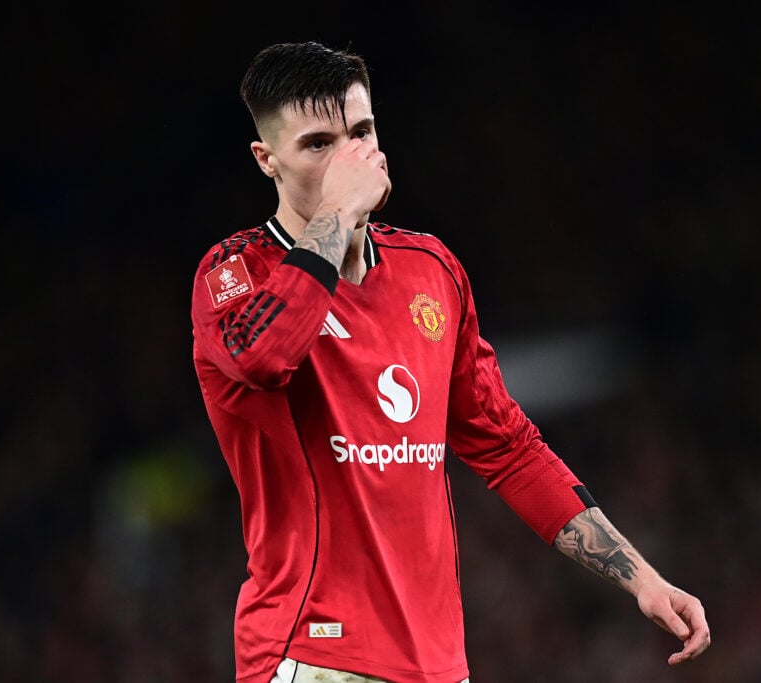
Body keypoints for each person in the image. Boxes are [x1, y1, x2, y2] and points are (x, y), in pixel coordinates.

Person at [191, 41, 710, 683]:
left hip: (437, 663)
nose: (350, 159)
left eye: (361, 132)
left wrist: (642, 578)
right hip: (312, 653)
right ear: (265, 160)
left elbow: (509, 448)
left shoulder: (430, 270)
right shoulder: (234, 273)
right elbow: (265, 357)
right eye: (317, 145)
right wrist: (336, 213)